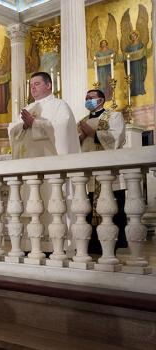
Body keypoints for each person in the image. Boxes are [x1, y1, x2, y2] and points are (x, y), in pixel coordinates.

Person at [78, 89, 127, 254]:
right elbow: (73, 145)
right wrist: (81, 137)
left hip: (108, 173)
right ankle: (92, 245)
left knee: (111, 208)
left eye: (91, 98)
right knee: (87, 208)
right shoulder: (82, 121)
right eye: (86, 98)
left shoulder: (114, 116)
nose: (88, 100)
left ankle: (113, 242)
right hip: (88, 174)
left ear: (101, 100)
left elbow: (117, 137)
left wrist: (92, 133)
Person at [9, 72, 81, 159]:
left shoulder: (60, 105)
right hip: (27, 159)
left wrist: (34, 123)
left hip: (50, 160)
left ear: (48, 85)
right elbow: (12, 128)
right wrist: (23, 126)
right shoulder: (28, 108)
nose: (33, 87)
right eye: (31, 85)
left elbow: (63, 127)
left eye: (37, 84)